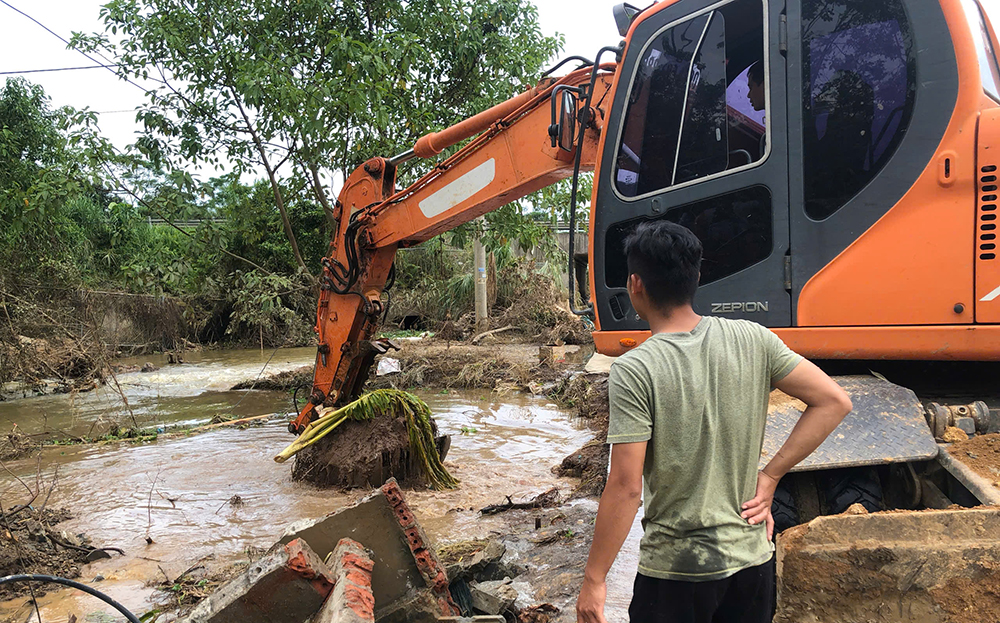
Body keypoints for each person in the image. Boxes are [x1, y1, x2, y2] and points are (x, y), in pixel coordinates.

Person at [575, 221, 852, 623]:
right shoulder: (754, 338)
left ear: (635, 284)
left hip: (676, 574)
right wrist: (771, 476)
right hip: (752, 563)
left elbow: (625, 485)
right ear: (696, 277)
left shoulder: (635, 369)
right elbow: (834, 401)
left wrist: (595, 579)